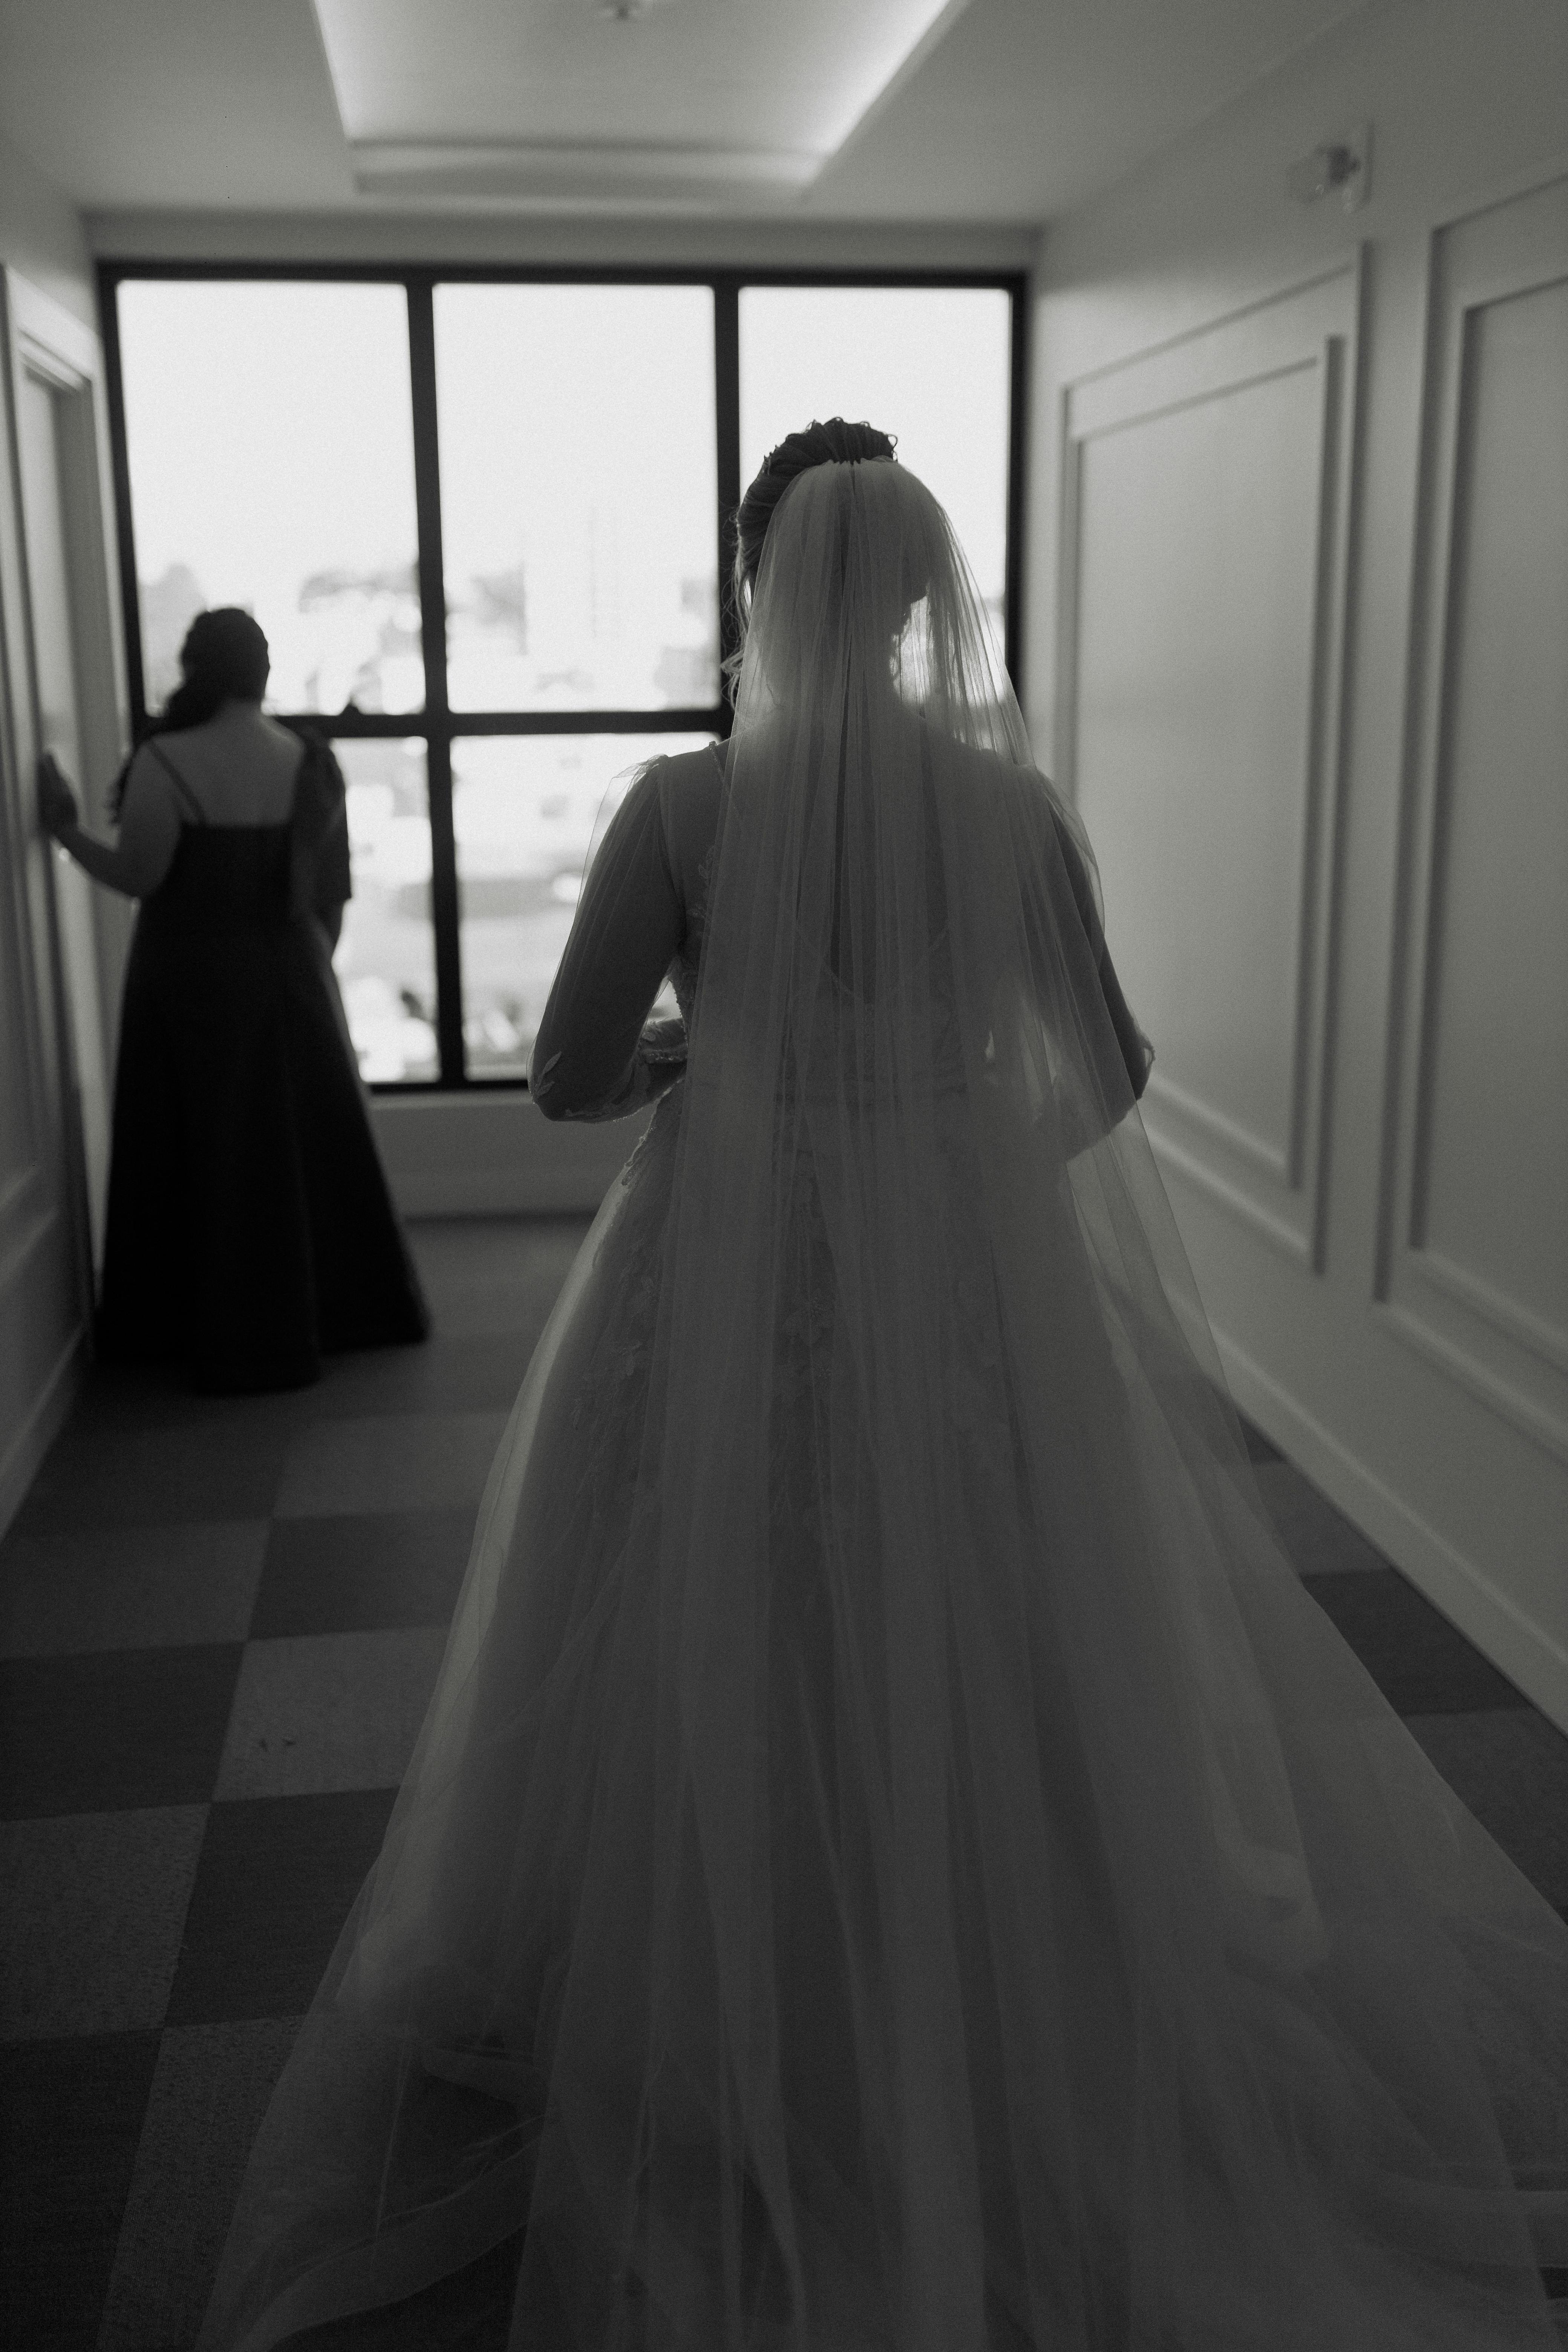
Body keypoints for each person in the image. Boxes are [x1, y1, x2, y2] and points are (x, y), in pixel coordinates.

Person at [196, 429, 1566, 2350]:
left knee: (689, 1595)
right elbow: (1108, 1077)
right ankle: (1003, 1966)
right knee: (992, 1600)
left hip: (719, 1255)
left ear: (755, 583)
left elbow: (570, 1079)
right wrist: (947, 1153)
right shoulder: (1008, 815)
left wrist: (704, 1052)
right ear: (930, 601)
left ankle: (712, 2000)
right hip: (961, 1278)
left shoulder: (684, 806)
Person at [38, 607, 429, 1392]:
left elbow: (141, 878)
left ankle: (213, 1331)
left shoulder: (167, 761)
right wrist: (304, 964)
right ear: (263, 670)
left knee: (211, 1149)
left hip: (191, 978)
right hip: (293, 972)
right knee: (297, 1146)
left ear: (193, 669)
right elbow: (329, 896)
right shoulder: (307, 758)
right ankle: (333, 1317)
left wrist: (68, 832)